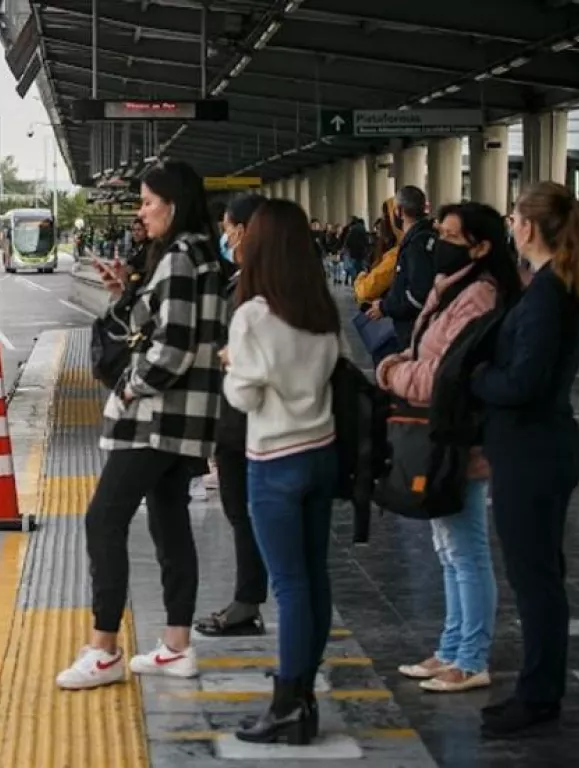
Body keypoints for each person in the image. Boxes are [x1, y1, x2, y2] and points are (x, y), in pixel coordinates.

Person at [56, 160, 227, 690]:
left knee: (103, 519)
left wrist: (131, 387)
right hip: (189, 421)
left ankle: (103, 647)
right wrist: (125, 293)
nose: (141, 211)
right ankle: (176, 646)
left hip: (155, 418)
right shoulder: (202, 256)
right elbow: (172, 328)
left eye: (149, 201)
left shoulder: (177, 259)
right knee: (169, 523)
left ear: (173, 204)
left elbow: (171, 346)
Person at [471, 181, 579, 738]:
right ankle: (539, 686)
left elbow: (523, 382)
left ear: (526, 227)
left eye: (514, 217)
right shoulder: (557, 285)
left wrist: (478, 377)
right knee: (542, 576)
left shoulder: (550, 294)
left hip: (533, 451)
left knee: (536, 580)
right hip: (543, 447)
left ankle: (539, 692)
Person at [377, 203, 523, 694]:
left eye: (450, 235)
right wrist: (402, 362)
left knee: (467, 551)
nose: (438, 241)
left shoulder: (478, 297)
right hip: (443, 436)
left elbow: (446, 374)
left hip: (464, 440)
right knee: (449, 548)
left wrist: (391, 372)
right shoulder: (451, 289)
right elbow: (428, 354)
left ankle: (472, 657)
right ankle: (451, 647)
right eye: (438, 231)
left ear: (480, 247)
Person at [222, 198, 342, 745]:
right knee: (314, 580)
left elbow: (243, 396)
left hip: (273, 463)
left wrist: (231, 364)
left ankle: (288, 702)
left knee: (289, 587)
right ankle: (305, 695)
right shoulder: (321, 310)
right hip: (321, 453)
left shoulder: (253, 317)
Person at [195, 193, 269, 639]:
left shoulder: (255, 289)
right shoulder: (252, 280)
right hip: (244, 421)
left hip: (243, 421)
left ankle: (248, 601)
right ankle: (248, 597)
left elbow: (242, 361)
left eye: (227, 227)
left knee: (243, 513)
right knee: (243, 513)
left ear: (242, 230)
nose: (224, 235)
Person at [367, 186, 436, 350]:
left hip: (413, 331)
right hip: (419, 329)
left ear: (399, 211)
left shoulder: (416, 245)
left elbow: (418, 294)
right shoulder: (426, 236)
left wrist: (385, 307)